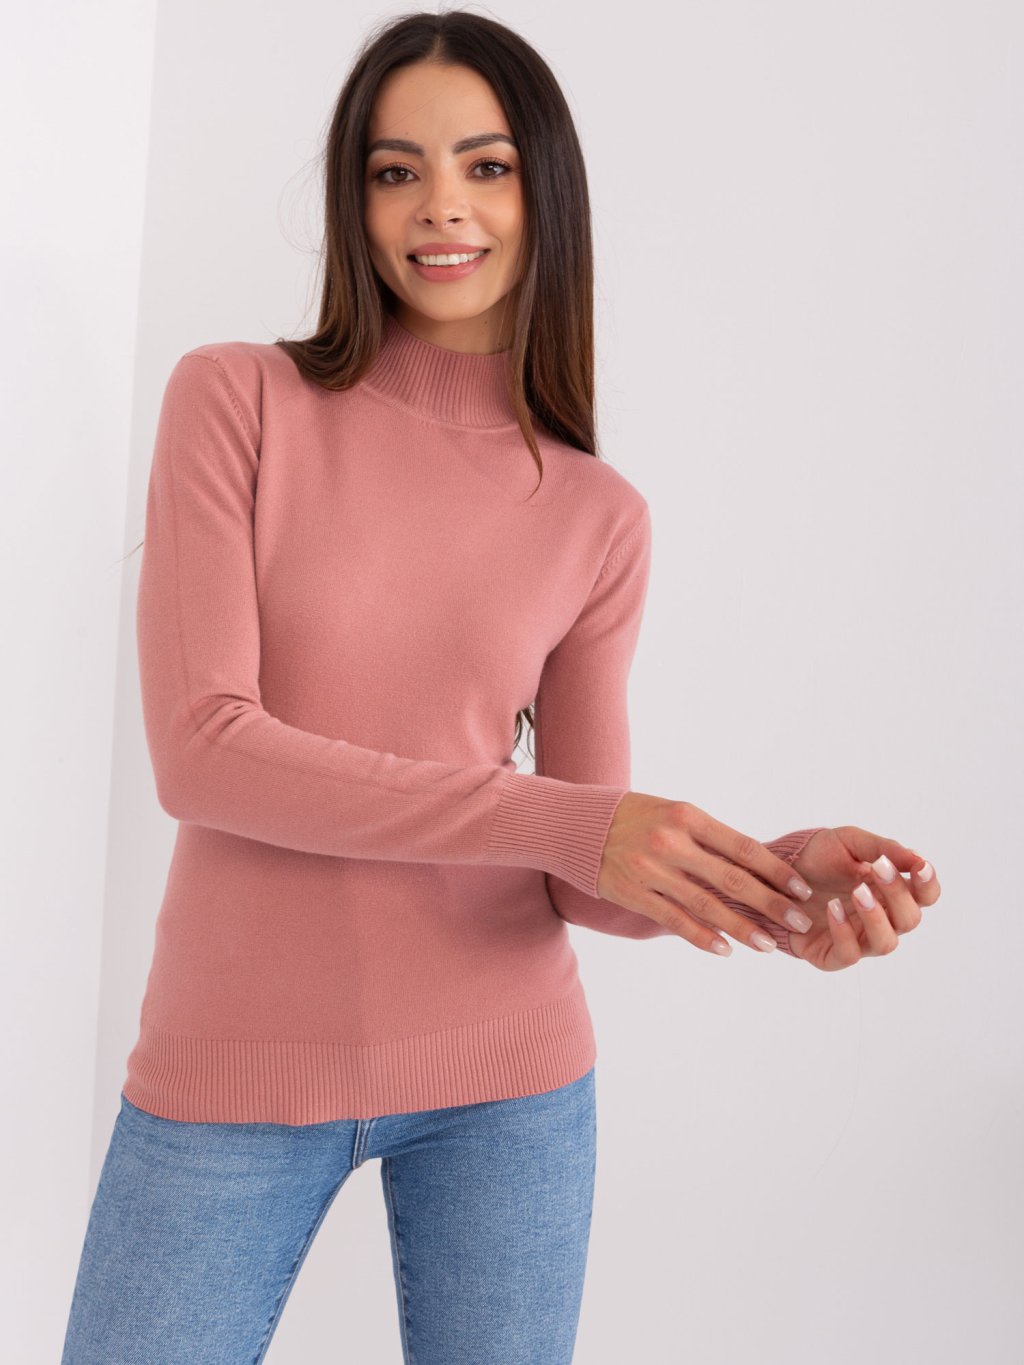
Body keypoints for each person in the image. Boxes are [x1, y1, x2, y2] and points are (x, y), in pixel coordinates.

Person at [60, 10, 941, 1363]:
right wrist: (564, 819)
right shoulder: (237, 400)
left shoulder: (598, 513)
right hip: (231, 1067)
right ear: (355, 200)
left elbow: (582, 874)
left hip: (510, 1084)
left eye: (486, 166)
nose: (442, 207)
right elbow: (204, 749)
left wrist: (766, 886)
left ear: (545, 193)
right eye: (395, 170)